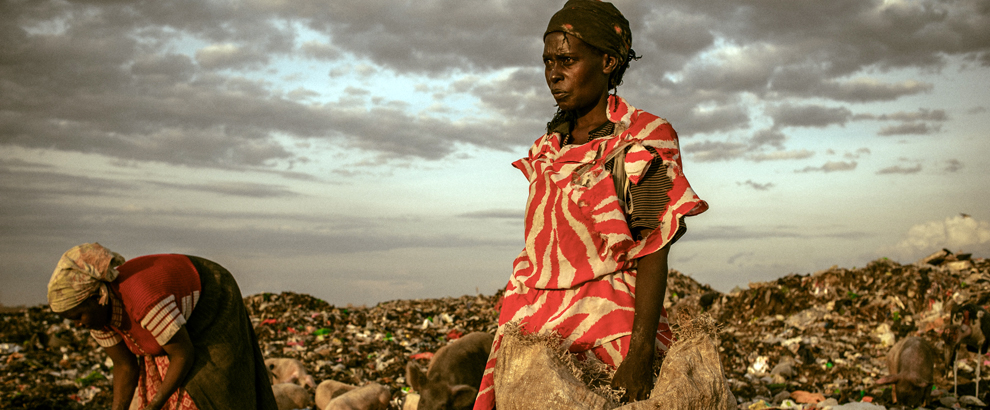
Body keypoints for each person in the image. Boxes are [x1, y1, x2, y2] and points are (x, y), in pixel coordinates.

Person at [473, 1, 708, 407]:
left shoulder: (642, 137)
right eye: (547, 61)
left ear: (607, 62)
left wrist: (639, 355)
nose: (553, 73)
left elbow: (654, 245)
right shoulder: (546, 149)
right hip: (535, 330)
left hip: (610, 327)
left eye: (567, 60)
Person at [47, 243, 278, 410]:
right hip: (168, 309)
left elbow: (183, 354)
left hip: (211, 293)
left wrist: (155, 405)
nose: (78, 324)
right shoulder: (98, 319)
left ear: (99, 297)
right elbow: (124, 366)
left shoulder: (143, 300)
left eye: (79, 315)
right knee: (166, 374)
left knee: (212, 382)